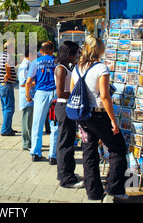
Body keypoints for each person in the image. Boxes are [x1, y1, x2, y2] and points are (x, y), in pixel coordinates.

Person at [70, 35, 128, 201]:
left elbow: (72, 90)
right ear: (99, 50)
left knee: (89, 152)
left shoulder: (77, 68)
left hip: (83, 115)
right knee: (118, 148)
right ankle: (114, 188)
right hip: (99, 115)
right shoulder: (101, 68)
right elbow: (105, 96)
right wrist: (113, 121)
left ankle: (93, 192)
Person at [54, 40, 84, 188]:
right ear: (68, 54)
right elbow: (60, 92)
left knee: (66, 141)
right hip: (64, 106)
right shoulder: (61, 68)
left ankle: (64, 173)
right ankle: (66, 178)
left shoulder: (67, 67)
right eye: (75, 53)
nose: (76, 56)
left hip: (67, 106)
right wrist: (76, 94)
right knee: (65, 143)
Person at [25, 41, 59, 163]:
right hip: (55, 94)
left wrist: (27, 95)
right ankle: (53, 155)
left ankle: (35, 152)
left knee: (37, 123)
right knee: (54, 124)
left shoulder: (36, 62)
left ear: (41, 51)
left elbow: (28, 82)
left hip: (40, 94)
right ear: (53, 50)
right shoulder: (57, 62)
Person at [0, 42, 17, 136]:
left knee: (5, 107)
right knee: (9, 108)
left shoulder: (0, 57)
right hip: (7, 84)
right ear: (10, 48)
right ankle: (5, 130)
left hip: (0, 85)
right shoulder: (9, 55)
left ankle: (8, 127)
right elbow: (7, 64)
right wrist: (8, 74)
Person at [18, 45, 36, 150]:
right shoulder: (25, 65)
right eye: (35, 55)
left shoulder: (30, 64)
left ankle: (29, 141)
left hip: (30, 96)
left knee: (30, 121)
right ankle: (26, 143)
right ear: (30, 55)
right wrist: (36, 83)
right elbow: (23, 83)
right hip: (27, 97)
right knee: (27, 121)